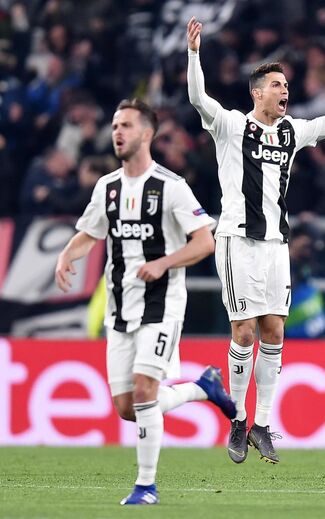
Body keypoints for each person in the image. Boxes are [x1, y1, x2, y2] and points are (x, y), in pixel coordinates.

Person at [186, 16, 325, 464]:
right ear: (257, 93)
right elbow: (197, 98)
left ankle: (262, 424)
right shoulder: (230, 126)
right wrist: (194, 55)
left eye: (287, 84)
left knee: (274, 331)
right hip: (237, 240)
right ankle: (236, 418)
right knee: (243, 331)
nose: (284, 90)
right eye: (276, 84)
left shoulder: (293, 131)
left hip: (276, 245)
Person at [54, 98, 236, 506]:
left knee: (144, 390)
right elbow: (90, 233)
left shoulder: (171, 186)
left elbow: (204, 241)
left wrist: (163, 263)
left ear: (147, 134)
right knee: (127, 407)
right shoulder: (107, 187)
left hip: (162, 304)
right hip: (120, 309)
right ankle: (203, 388)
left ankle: (146, 487)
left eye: (126, 126)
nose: (117, 133)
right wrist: (67, 254)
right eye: (114, 126)